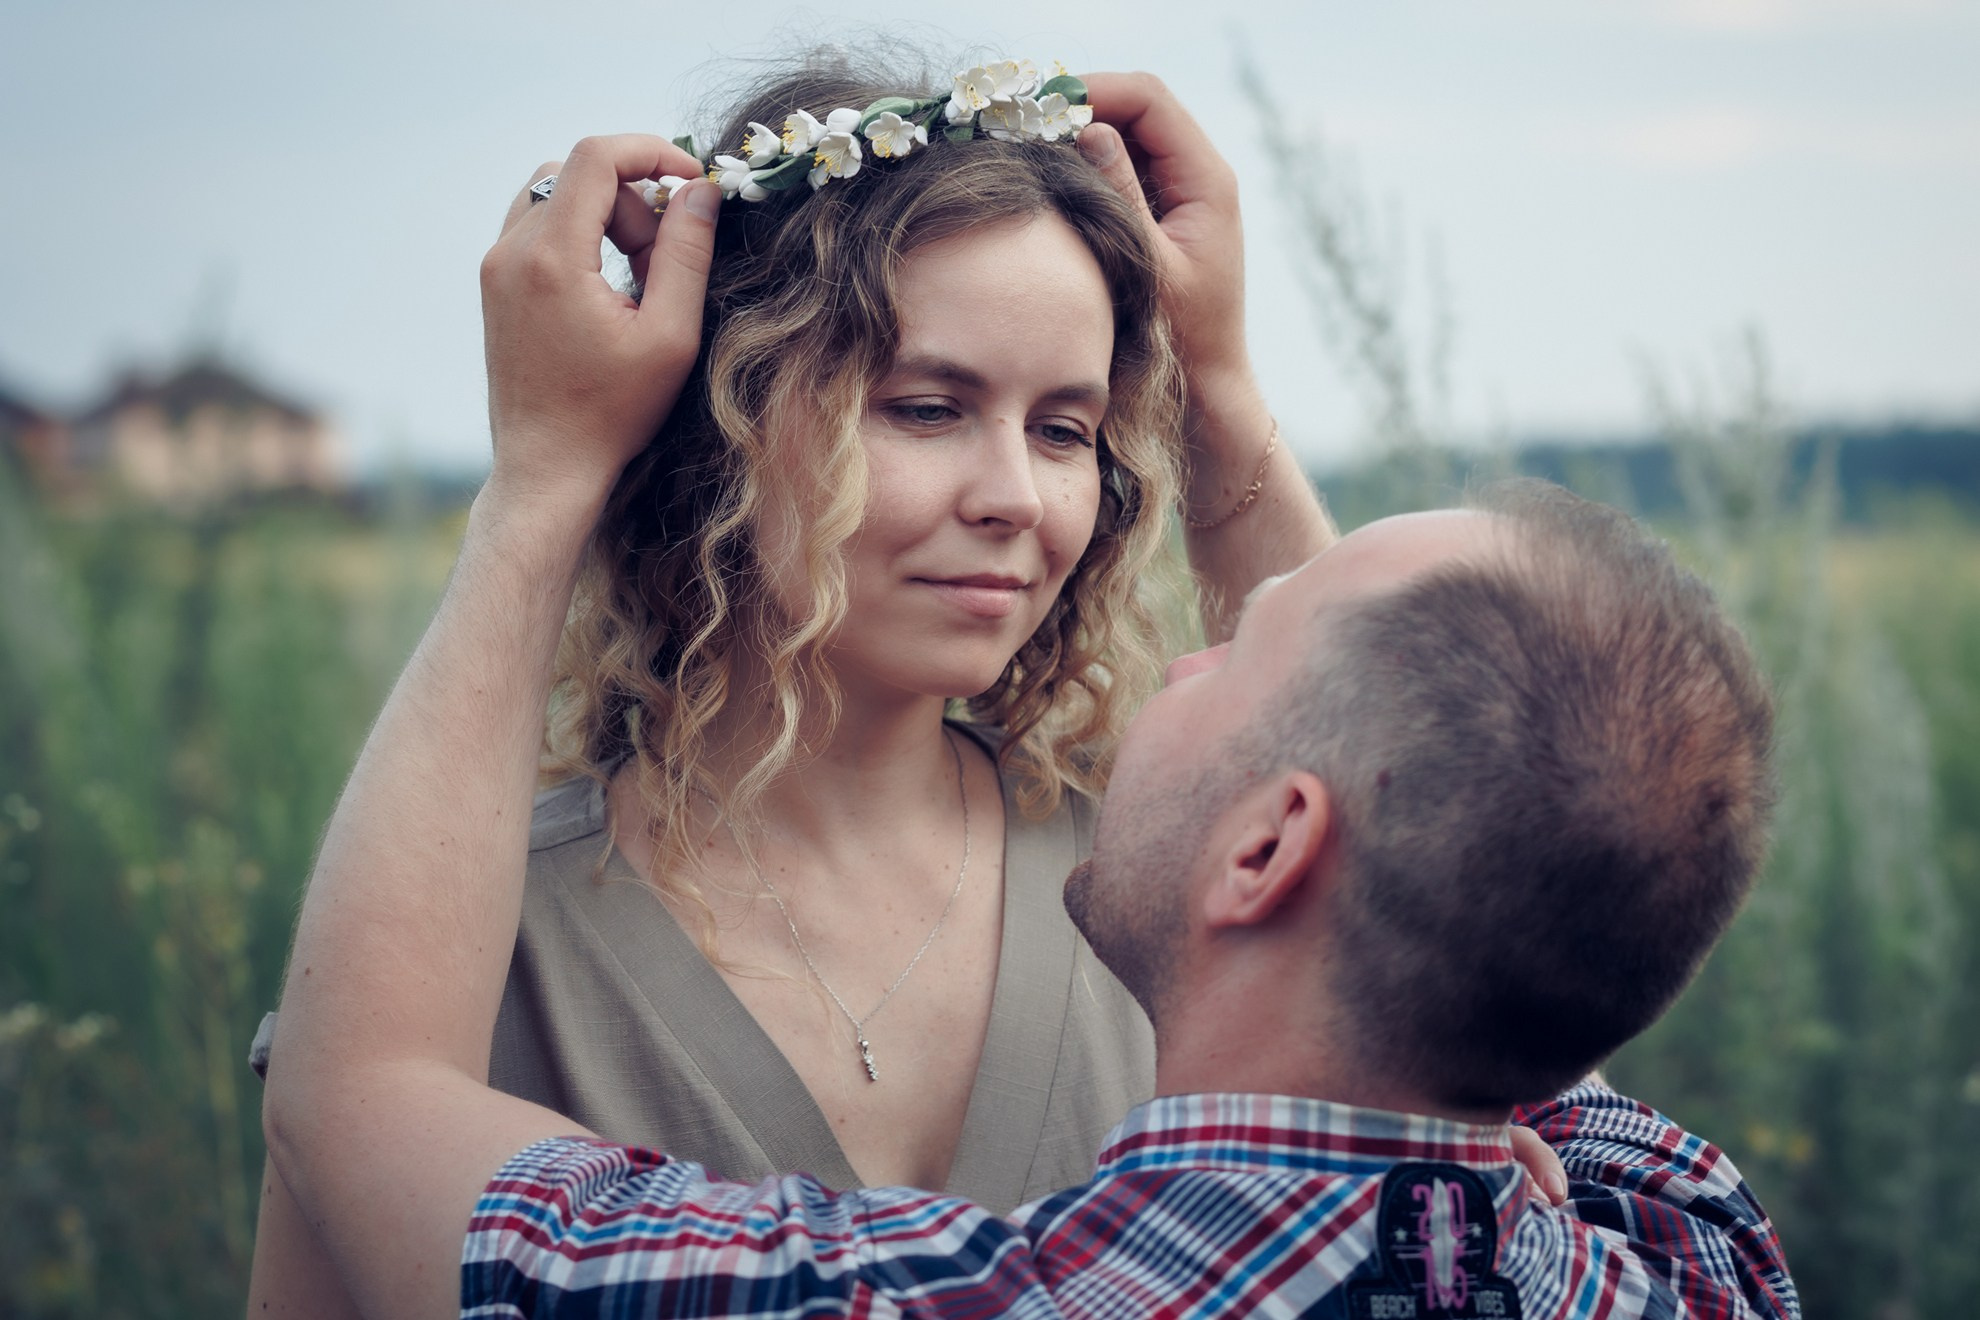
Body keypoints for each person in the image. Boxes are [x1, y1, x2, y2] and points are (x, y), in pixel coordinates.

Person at [247, 59, 1348, 1314]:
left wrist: (1218, 380)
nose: (1017, 499)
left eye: (1064, 430)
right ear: (722, 425)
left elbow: (1401, 837)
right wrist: (552, 471)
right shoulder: (460, 953)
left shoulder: (1172, 880)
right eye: (928, 408)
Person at [262, 440, 1800, 1313]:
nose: (1184, 644)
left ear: (1266, 849)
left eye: (1232, 651)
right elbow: (1510, 870)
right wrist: (1236, 403)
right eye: (932, 404)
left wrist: (537, 488)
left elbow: (360, 1094)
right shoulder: (1686, 1251)